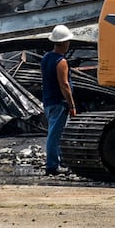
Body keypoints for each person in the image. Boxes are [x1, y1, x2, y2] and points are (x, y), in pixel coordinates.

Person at [41, 24, 77, 176]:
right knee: (55, 135)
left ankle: (59, 162)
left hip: (49, 101)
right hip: (58, 103)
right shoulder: (61, 62)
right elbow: (64, 85)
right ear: (64, 42)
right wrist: (72, 105)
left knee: (56, 133)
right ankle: (52, 165)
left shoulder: (46, 58)